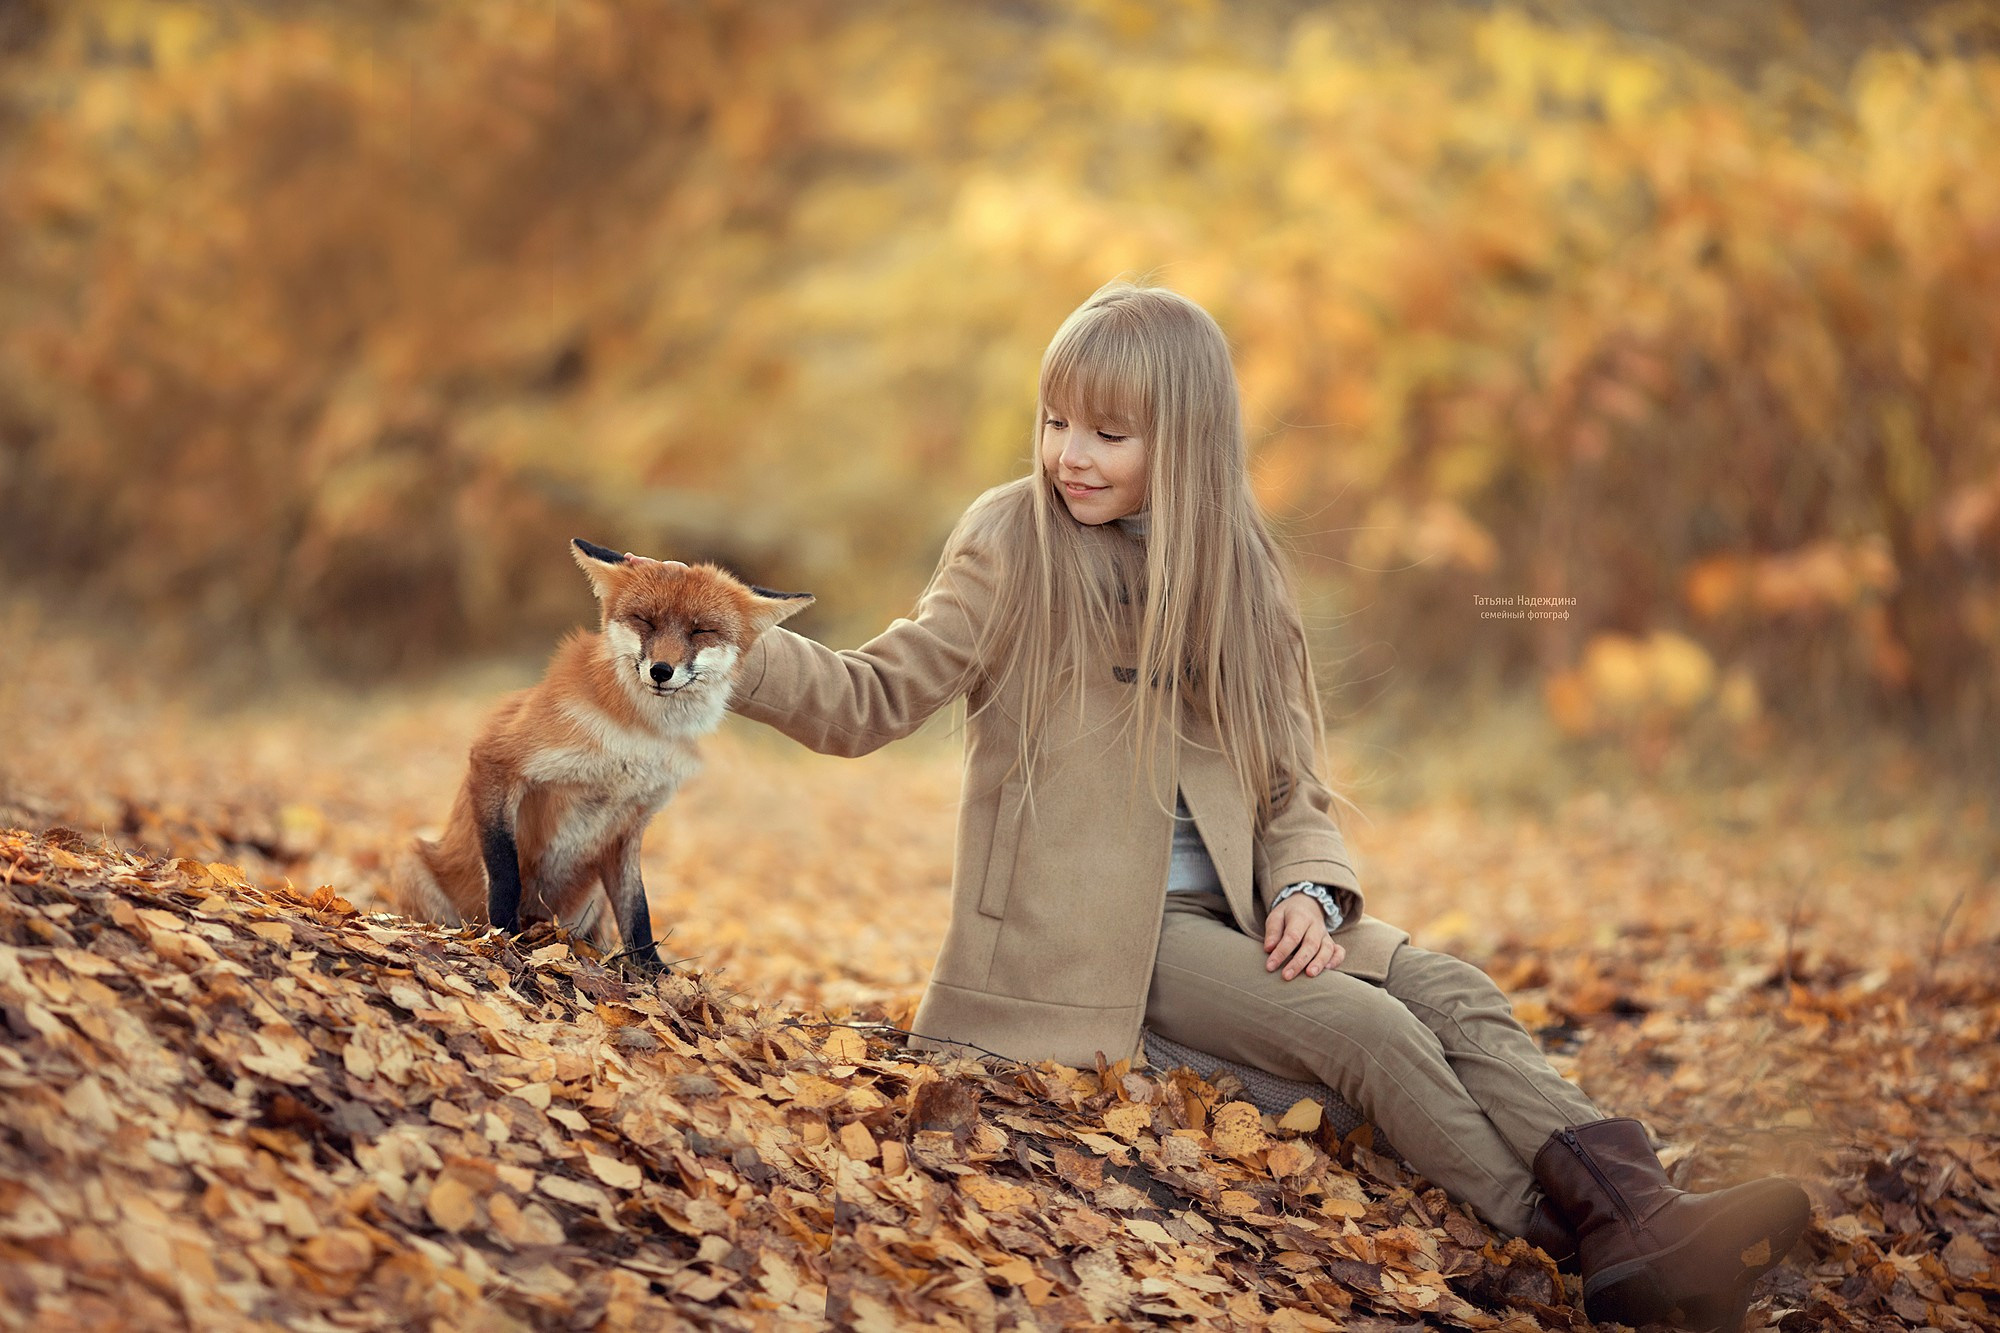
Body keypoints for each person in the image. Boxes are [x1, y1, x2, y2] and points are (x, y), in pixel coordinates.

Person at [727, 279, 1808, 1332]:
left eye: (1109, 433)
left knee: (1449, 988)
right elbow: (874, 695)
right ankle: (1568, 1242)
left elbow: (1289, 777)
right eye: (1055, 422)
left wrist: (1304, 887)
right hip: (1103, 942)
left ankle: (1641, 1216)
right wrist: (725, 642)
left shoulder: (1237, 570)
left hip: (1237, 914)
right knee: (1368, 1032)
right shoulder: (1013, 537)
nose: (1068, 454)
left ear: (1186, 439)